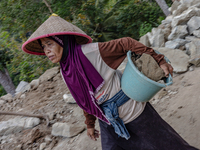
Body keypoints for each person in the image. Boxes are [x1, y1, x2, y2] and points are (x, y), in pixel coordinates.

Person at [22, 14, 198, 150]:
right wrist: (89, 124)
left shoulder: (91, 52)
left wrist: (159, 60)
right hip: (107, 122)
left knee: (170, 146)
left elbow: (125, 43)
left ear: (63, 42)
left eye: (49, 44)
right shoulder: (66, 70)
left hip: (134, 113)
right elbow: (86, 98)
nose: (47, 51)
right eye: (44, 46)